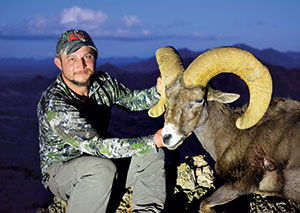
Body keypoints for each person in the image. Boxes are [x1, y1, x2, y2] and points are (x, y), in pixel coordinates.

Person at [37, 29, 167, 213]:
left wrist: (158, 91)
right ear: (59, 63)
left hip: (101, 161)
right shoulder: (54, 103)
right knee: (102, 168)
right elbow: (98, 146)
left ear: (95, 57)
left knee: (152, 153)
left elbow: (132, 100)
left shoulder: (103, 82)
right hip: (62, 171)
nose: (81, 65)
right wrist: (152, 140)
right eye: (72, 59)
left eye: (87, 57)